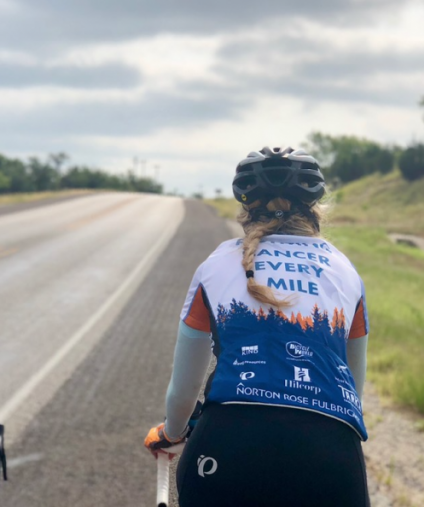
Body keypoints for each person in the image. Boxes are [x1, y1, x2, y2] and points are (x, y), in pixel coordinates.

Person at [145, 147, 371, 507]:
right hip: (330, 452)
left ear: (245, 210)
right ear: (316, 209)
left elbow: (184, 389)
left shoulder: (216, 264)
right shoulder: (345, 270)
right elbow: (352, 387)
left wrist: (172, 433)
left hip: (229, 443)